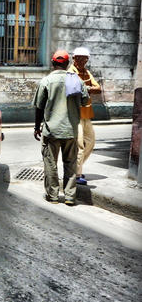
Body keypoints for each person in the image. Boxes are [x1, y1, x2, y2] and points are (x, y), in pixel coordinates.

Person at [32, 50, 88, 205]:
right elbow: (85, 101)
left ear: (52, 63)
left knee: (50, 164)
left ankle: (53, 196)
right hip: (71, 131)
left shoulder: (46, 81)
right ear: (67, 63)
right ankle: (70, 197)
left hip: (51, 131)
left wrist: (37, 127)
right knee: (70, 164)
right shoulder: (76, 80)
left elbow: (39, 107)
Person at [68, 47, 102, 185]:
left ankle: (76, 168)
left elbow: (98, 88)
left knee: (91, 142)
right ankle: (76, 175)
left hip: (86, 114)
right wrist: (87, 88)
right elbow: (74, 90)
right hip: (75, 115)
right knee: (79, 145)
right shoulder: (71, 72)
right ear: (74, 58)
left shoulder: (86, 72)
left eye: (85, 58)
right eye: (79, 58)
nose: (82, 60)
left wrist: (85, 88)